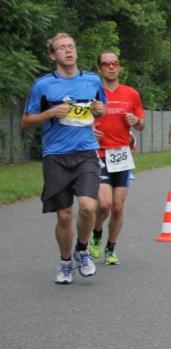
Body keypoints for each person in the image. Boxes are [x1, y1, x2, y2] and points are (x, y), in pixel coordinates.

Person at [20, 33, 107, 284]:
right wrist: (50, 113)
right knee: (65, 216)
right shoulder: (43, 85)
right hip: (56, 156)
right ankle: (66, 262)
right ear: (52, 55)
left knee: (88, 207)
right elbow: (26, 121)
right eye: (62, 48)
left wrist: (100, 110)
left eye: (71, 47)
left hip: (86, 153)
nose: (68, 51)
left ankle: (83, 250)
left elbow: (100, 108)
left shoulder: (92, 80)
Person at [89, 51, 145, 265]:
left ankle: (111, 248)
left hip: (121, 155)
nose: (111, 67)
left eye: (114, 63)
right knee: (104, 204)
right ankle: (96, 232)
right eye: (106, 64)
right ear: (99, 69)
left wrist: (136, 120)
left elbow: (141, 124)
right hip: (99, 153)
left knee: (118, 207)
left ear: (119, 67)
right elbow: (77, 121)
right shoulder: (92, 93)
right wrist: (88, 130)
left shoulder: (131, 93)